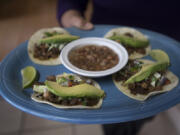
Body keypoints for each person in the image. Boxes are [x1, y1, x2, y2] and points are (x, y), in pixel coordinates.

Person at [57, 1, 180, 135]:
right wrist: (70, 14)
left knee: (153, 105)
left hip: (171, 40)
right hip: (99, 32)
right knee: (118, 125)